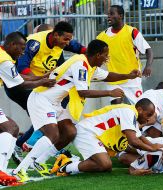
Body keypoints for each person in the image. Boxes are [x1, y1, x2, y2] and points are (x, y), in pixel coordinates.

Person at [12, 39, 141, 182]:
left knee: (70, 131)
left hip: (54, 103)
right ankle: (20, 170)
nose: (107, 58)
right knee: (53, 134)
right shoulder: (80, 64)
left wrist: (129, 75)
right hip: (41, 100)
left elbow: (108, 76)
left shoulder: (90, 66)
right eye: (105, 55)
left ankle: (39, 161)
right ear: (98, 55)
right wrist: (110, 93)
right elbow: (82, 92)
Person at [4, 22, 84, 164]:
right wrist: (40, 82)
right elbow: (22, 68)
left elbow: (76, 47)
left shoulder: (61, 43)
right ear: (54, 35)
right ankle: (23, 145)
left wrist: (89, 53)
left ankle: (39, 144)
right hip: (22, 85)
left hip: (40, 85)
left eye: (69, 39)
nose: (68, 43)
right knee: (46, 115)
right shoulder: (35, 43)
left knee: (53, 111)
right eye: (65, 39)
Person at [51, 98, 163, 175]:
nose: (148, 119)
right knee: (105, 164)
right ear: (139, 109)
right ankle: (66, 166)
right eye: (148, 114)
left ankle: (71, 160)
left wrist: (155, 146)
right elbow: (133, 141)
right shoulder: (129, 112)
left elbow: (140, 137)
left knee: (105, 166)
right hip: (87, 132)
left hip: (94, 135)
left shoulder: (131, 114)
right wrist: (152, 148)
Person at [0, 32, 55, 186]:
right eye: (21, 48)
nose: (23, 52)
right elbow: (20, 84)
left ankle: (2, 171)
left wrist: (42, 77)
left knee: (12, 128)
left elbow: (18, 76)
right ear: (12, 45)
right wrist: (42, 82)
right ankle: (1, 172)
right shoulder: (4, 61)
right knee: (10, 128)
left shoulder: (3, 57)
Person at [97, 5, 154, 105]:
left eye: (112, 14)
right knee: (117, 110)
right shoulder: (102, 36)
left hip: (132, 80)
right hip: (113, 80)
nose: (108, 16)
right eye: (108, 14)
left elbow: (149, 50)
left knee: (139, 110)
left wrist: (148, 66)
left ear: (120, 16)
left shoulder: (132, 32)